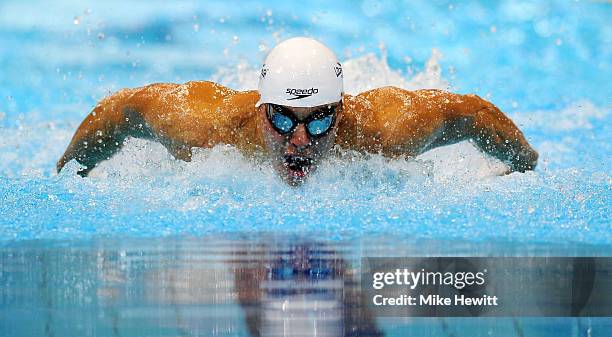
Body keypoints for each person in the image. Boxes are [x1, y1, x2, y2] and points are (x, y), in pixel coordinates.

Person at [57, 37, 538, 185]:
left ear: (342, 110)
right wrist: (73, 172)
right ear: (262, 110)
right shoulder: (206, 128)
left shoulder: (386, 130)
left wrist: (523, 168)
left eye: (320, 120)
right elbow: (123, 109)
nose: (301, 140)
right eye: (284, 119)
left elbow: (472, 113)